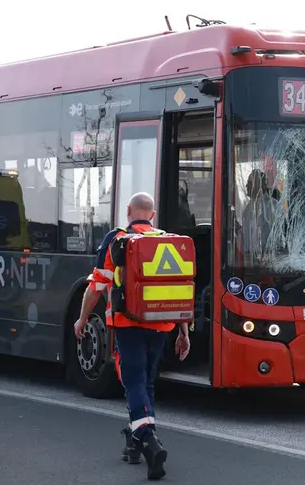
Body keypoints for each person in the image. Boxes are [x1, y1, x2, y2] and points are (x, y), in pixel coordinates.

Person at [74, 192, 190, 480]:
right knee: (146, 383)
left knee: (133, 381)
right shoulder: (167, 240)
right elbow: (178, 289)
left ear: (128, 211)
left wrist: (83, 317)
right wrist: (184, 332)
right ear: (152, 215)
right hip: (162, 326)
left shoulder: (117, 240)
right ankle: (135, 443)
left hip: (127, 324)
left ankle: (149, 440)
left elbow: (97, 284)